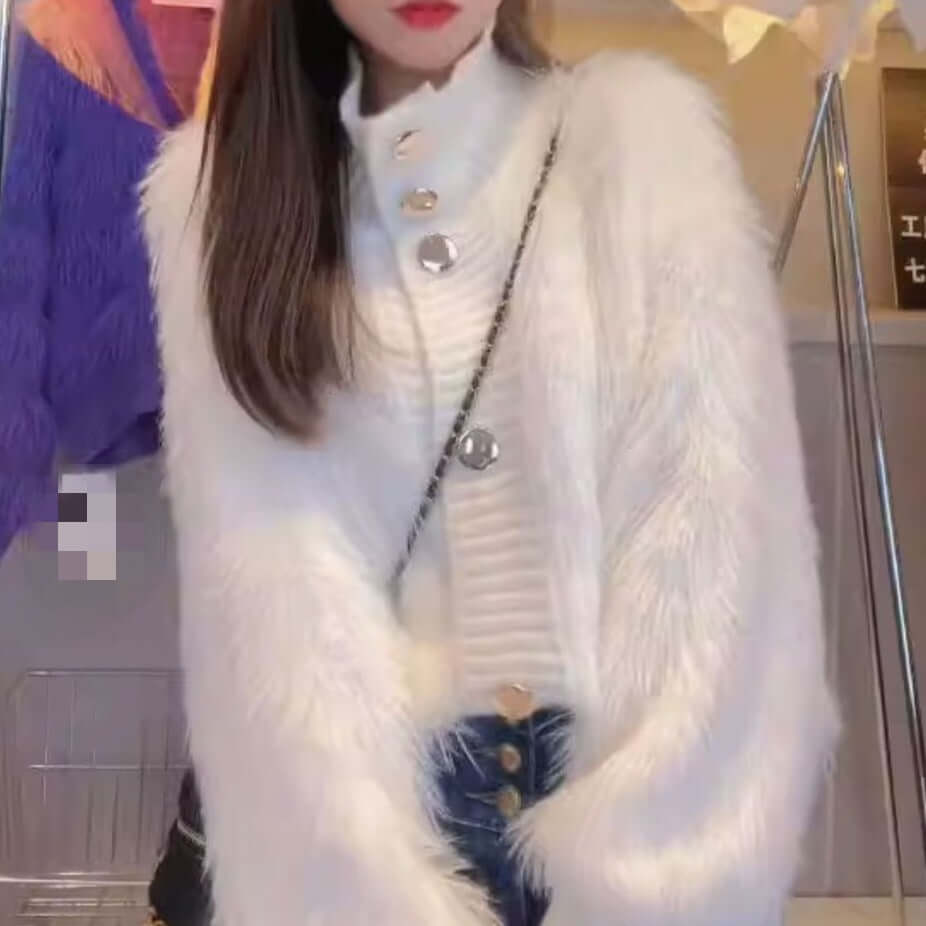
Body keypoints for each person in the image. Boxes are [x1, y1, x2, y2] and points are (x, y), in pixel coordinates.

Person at [139, 0, 840, 923]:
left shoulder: (641, 153)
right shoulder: (221, 199)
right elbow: (260, 593)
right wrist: (346, 876)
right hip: (364, 844)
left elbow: (723, 560)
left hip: (627, 810)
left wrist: (668, 874)